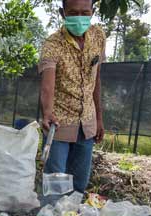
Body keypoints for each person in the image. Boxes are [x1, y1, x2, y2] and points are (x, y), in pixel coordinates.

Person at [39, 0, 106, 194]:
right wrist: (48, 112)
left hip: (87, 123)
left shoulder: (98, 36)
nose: (80, 18)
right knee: (55, 183)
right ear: (62, 13)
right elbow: (47, 85)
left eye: (85, 13)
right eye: (73, 12)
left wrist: (99, 118)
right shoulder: (52, 44)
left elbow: (96, 79)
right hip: (59, 123)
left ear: (92, 12)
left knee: (79, 184)